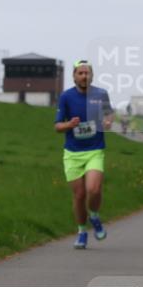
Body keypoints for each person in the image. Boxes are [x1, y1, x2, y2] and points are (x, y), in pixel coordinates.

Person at [54, 60, 114, 249]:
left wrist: (107, 122)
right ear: (74, 76)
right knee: (79, 195)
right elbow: (57, 126)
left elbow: (109, 114)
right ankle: (81, 232)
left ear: (92, 75)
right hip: (72, 153)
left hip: (94, 150)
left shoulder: (101, 94)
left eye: (87, 73)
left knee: (93, 189)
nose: (84, 76)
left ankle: (94, 216)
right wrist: (69, 125)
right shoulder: (66, 97)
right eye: (80, 73)